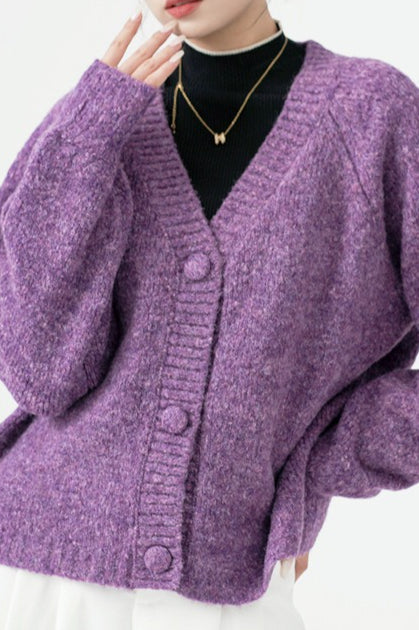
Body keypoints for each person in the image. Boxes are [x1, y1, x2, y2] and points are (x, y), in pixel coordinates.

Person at [0, 0, 418, 628]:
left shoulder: (373, 114)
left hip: (231, 587)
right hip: (34, 571)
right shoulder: (101, 117)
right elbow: (39, 374)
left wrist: (326, 458)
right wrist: (86, 138)